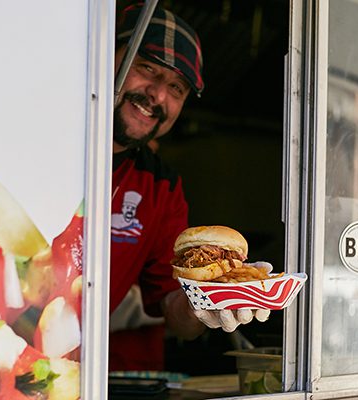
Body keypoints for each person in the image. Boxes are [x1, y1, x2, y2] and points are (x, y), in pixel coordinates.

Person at [109, 3, 269, 371]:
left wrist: (208, 304)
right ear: (108, 55)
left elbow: (173, 307)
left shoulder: (161, 186)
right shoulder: (45, 144)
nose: (158, 95)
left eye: (177, 88)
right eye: (147, 67)